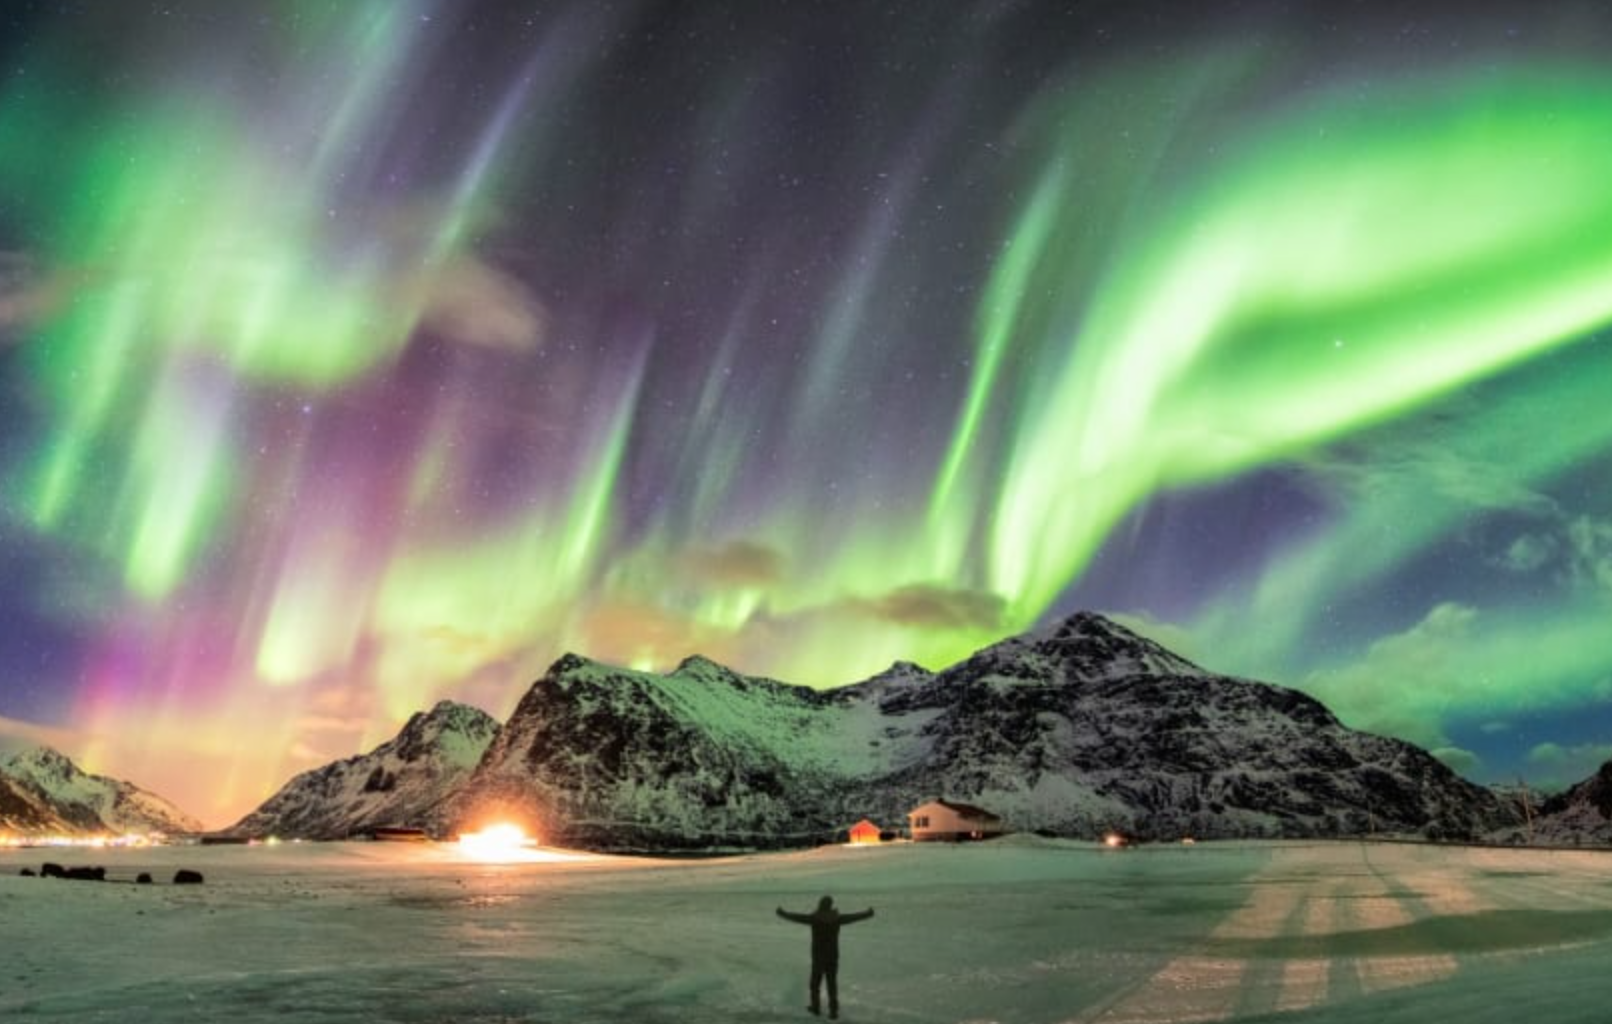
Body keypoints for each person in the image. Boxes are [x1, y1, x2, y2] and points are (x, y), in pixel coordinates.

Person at [776, 894, 874, 1019]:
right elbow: (854, 917)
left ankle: (815, 1008)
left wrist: (783, 913)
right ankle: (833, 1012)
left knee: (815, 984)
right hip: (833, 956)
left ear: (821, 905)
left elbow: (797, 917)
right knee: (832, 984)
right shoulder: (837, 918)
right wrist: (867, 913)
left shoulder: (815, 918)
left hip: (818, 957)